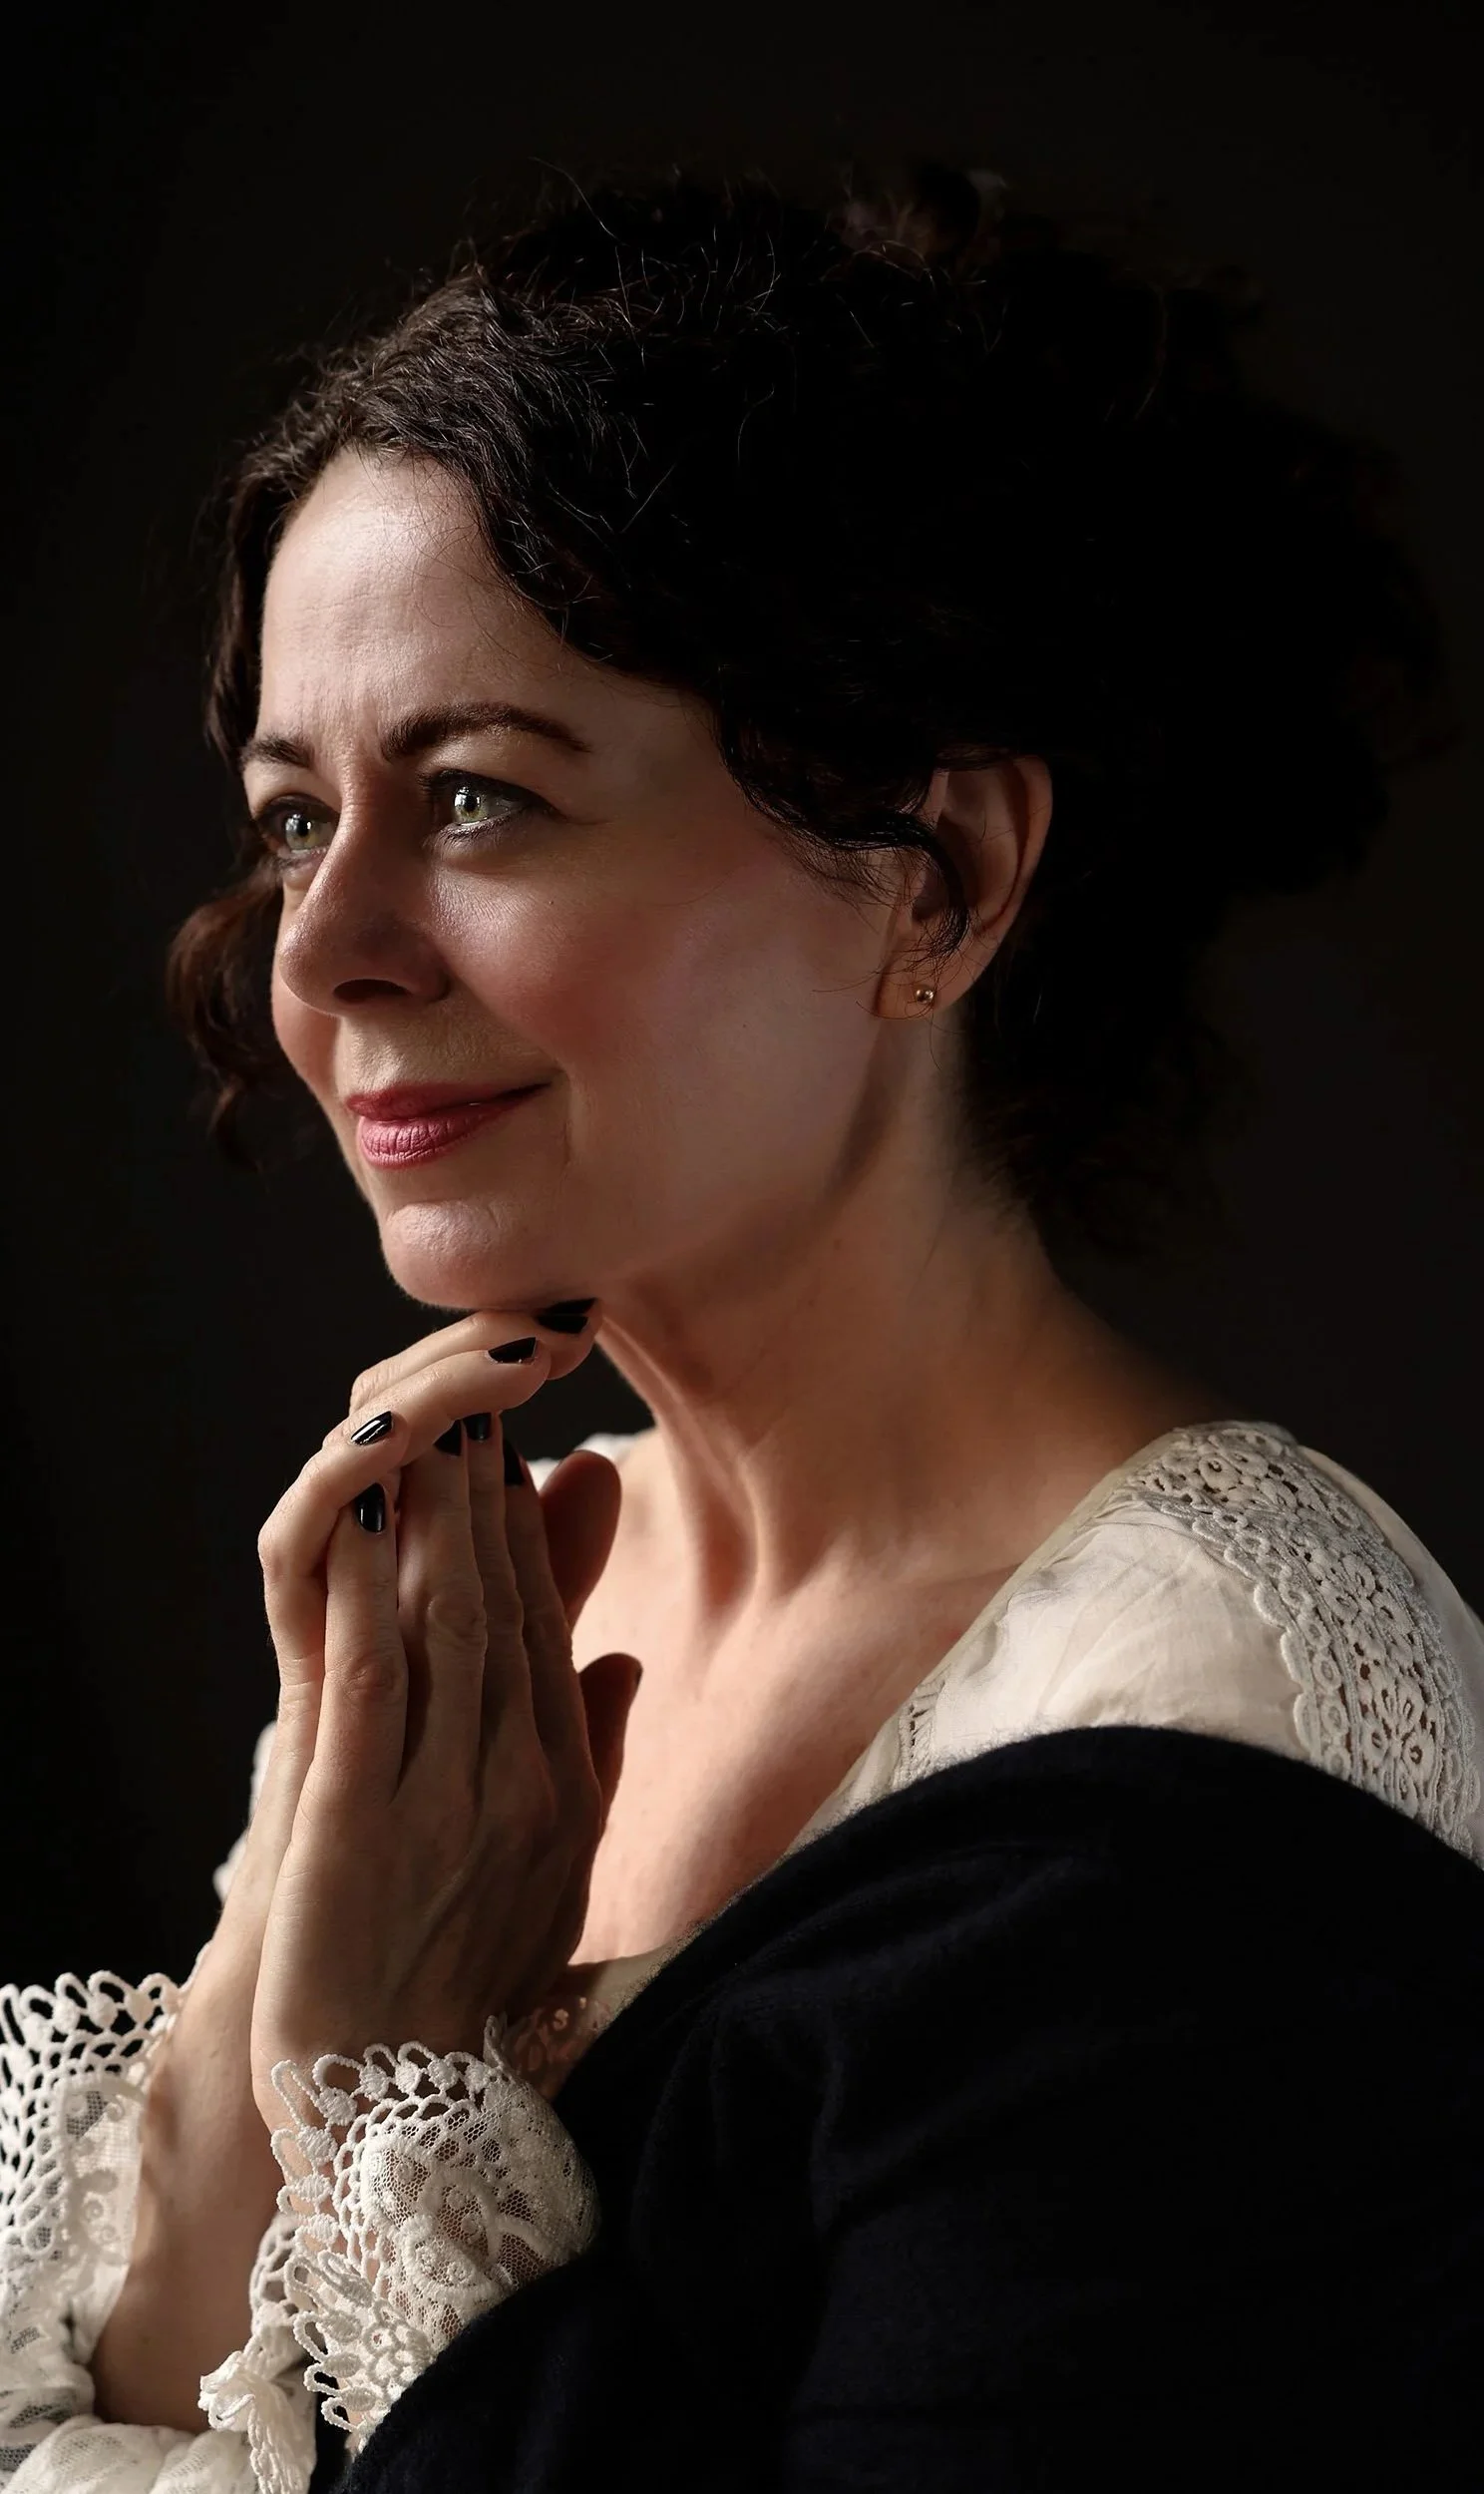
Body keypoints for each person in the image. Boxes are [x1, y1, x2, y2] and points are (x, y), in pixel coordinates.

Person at [3, 162, 1482, 2492]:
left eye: (479, 797)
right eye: (296, 822)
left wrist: (394, 2086)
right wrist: (300, 1886)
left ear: (944, 874)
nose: (326, 951)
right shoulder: (510, 1585)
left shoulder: (1208, 1756)